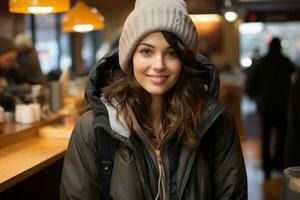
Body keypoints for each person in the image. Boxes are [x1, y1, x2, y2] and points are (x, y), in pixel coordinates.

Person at [60, 0, 247, 199]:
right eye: (146, 51)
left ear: (184, 60)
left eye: (171, 53)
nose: (159, 65)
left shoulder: (216, 123)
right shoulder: (92, 130)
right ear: (130, 57)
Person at [245, 37, 294, 179]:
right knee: (281, 136)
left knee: (265, 137)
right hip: (282, 106)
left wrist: (255, 98)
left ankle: (266, 168)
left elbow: (251, 83)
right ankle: (279, 165)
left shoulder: (262, 62)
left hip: (265, 106)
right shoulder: (286, 62)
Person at [0, 36, 31, 111]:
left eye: (13, 60)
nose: (11, 63)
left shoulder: (9, 69)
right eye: (9, 60)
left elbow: (26, 81)